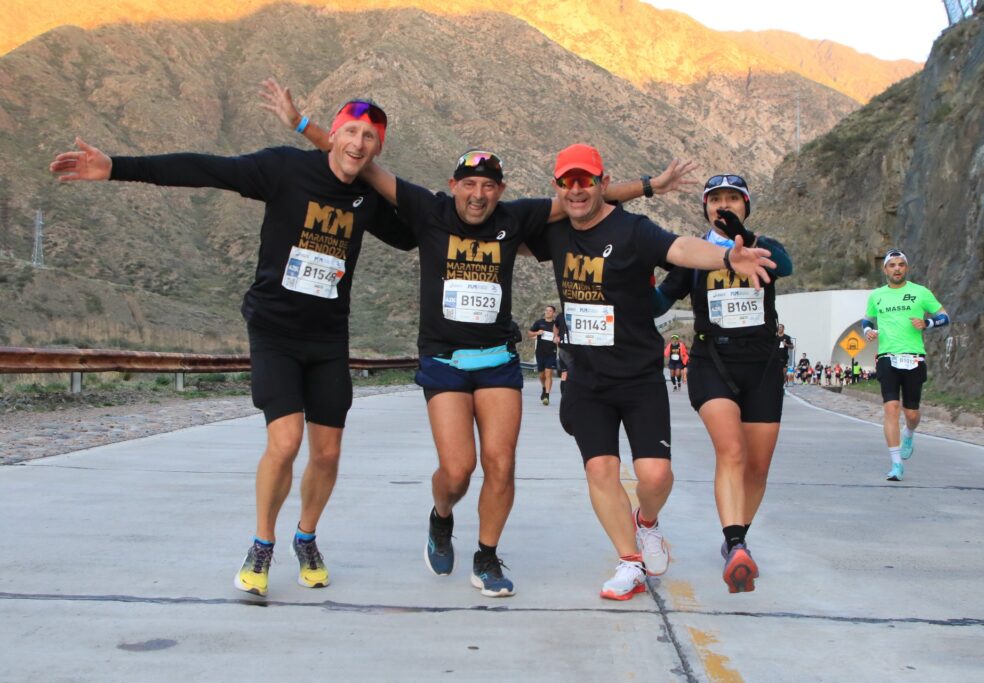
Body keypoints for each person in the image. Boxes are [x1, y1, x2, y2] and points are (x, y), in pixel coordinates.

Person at [259, 78, 698, 596]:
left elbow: (584, 199)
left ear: (501, 191)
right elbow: (362, 163)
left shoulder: (515, 219)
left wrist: (649, 186)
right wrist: (302, 124)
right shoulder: (427, 210)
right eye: (469, 183)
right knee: (458, 468)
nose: (479, 193)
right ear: (454, 186)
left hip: (497, 359)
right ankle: (441, 514)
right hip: (444, 359)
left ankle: (487, 556)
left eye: (489, 185)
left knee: (501, 463)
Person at [50, 101, 417, 598]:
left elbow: (415, 233)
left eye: (369, 138)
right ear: (332, 134)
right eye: (350, 132)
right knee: (285, 443)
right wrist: (116, 167)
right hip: (274, 330)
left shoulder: (369, 198)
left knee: (327, 453)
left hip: (328, 337)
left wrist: (375, 177)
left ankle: (305, 537)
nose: (357, 143)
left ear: (379, 148)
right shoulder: (284, 168)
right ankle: (262, 543)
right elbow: (204, 168)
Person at [529, 147, 775, 600]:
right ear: (558, 188)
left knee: (656, 477)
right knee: (601, 468)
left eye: (587, 181)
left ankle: (646, 523)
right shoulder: (553, 231)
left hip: (639, 374)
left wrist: (726, 259)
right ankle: (630, 562)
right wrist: (649, 184)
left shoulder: (633, 229)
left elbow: (679, 248)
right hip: (586, 376)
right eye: (568, 182)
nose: (577, 190)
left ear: (604, 183)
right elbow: (499, 229)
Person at [654, 173, 792, 593]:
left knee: (758, 464)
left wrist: (745, 240)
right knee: (731, 450)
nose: (724, 206)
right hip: (713, 360)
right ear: (705, 207)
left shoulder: (764, 243)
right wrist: (635, 287)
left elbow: (784, 267)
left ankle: (738, 537)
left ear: (746, 206)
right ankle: (735, 545)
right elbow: (660, 301)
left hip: (763, 362)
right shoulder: (693, 256)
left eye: (733, 198)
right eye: (716, 200)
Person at [863, 249, 948, 482]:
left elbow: (945, 316)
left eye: (901, 265)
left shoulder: (920, 292)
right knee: (891, 408)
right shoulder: (877, 295)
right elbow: (867, 319)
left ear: (906, 268)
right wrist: (868, 330)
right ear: (885, 269)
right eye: (892, 265)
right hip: (887, 357)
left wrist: (928, 322)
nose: (897, 268)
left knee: (911, 413)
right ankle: (896, 464)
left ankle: (909, 433)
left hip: (914, 357)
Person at [528, 305, 560, 405]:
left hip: (551, 353)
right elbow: (529, 333)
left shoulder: (556, 325)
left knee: (548, 373)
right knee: (542, 375)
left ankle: (546, 395)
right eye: (546, 310)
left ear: (553, 313)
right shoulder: (539, 323)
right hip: (540, 352)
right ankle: (544, 387)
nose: (547, 312)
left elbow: (560, 337)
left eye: (550, 311)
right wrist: (537, 332)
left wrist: (557, 339)